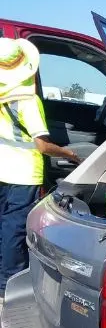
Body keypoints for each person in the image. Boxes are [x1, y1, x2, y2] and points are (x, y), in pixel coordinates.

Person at [0, 38, 80, 301]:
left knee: (4, 226)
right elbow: (43, 146)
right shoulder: (27, 100)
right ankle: (9, 285)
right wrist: (70, 154)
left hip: (2, 170)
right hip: (23, 175)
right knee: (15, 229)